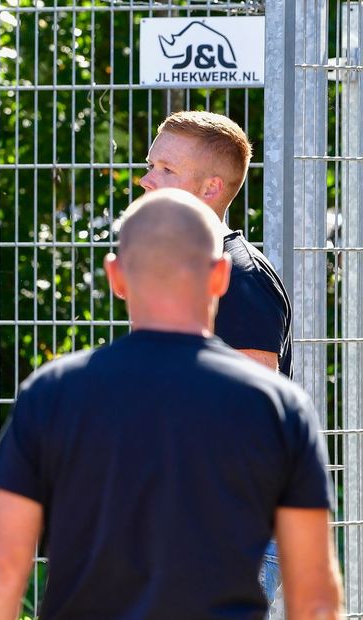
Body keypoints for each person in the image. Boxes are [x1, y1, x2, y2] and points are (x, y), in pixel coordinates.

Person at [0, 189, 342, 620]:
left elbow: (0, 569)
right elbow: (315, 595)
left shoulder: (52, 394)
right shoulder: (278, 406)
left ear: (116, 277)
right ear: (220, 276)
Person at [140, 110, 293, 603]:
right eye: (150, 164)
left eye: (165, 169)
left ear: (209, 189)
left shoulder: (241, 279)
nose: (146, 179)